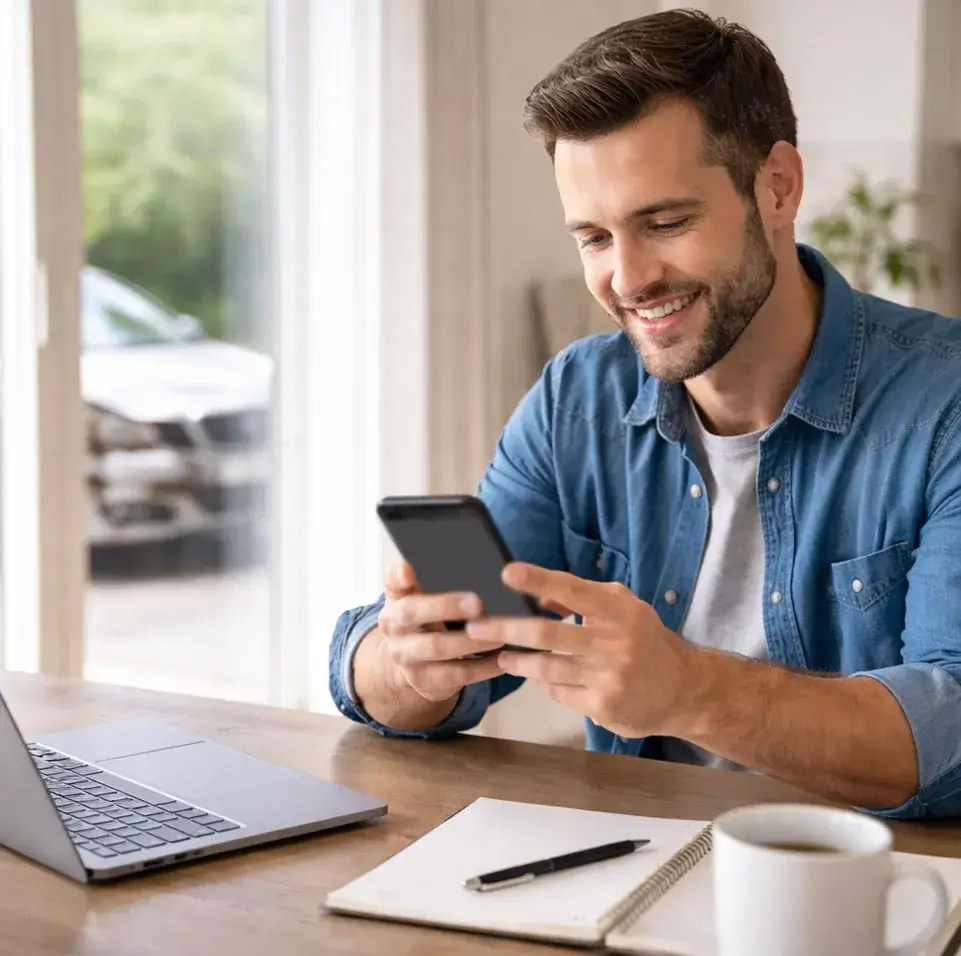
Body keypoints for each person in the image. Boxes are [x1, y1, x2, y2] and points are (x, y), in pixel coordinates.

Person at [328, 9, 961, 819]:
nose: (626, 279)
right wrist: (405, 667)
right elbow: (399, 671)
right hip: (634, 871)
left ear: (777, 186)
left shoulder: (941, 404)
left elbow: (948, 735)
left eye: (664, 223)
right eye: (593, 237)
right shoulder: (575, 401)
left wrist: (689, 689)